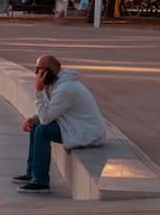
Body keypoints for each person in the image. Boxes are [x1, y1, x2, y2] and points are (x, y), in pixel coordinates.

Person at [15, 54, 106, 193]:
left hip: (85, 133)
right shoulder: (57, 84)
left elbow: (46, 119)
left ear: (49, 71)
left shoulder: (66, 88)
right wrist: (32, 119)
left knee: (42, 130)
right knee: (36, 126)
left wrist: (38, 91)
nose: (35, 73)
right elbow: (51, 109)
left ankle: (40, 182)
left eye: (39, 69)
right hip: (73, 126)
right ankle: (32, 173)